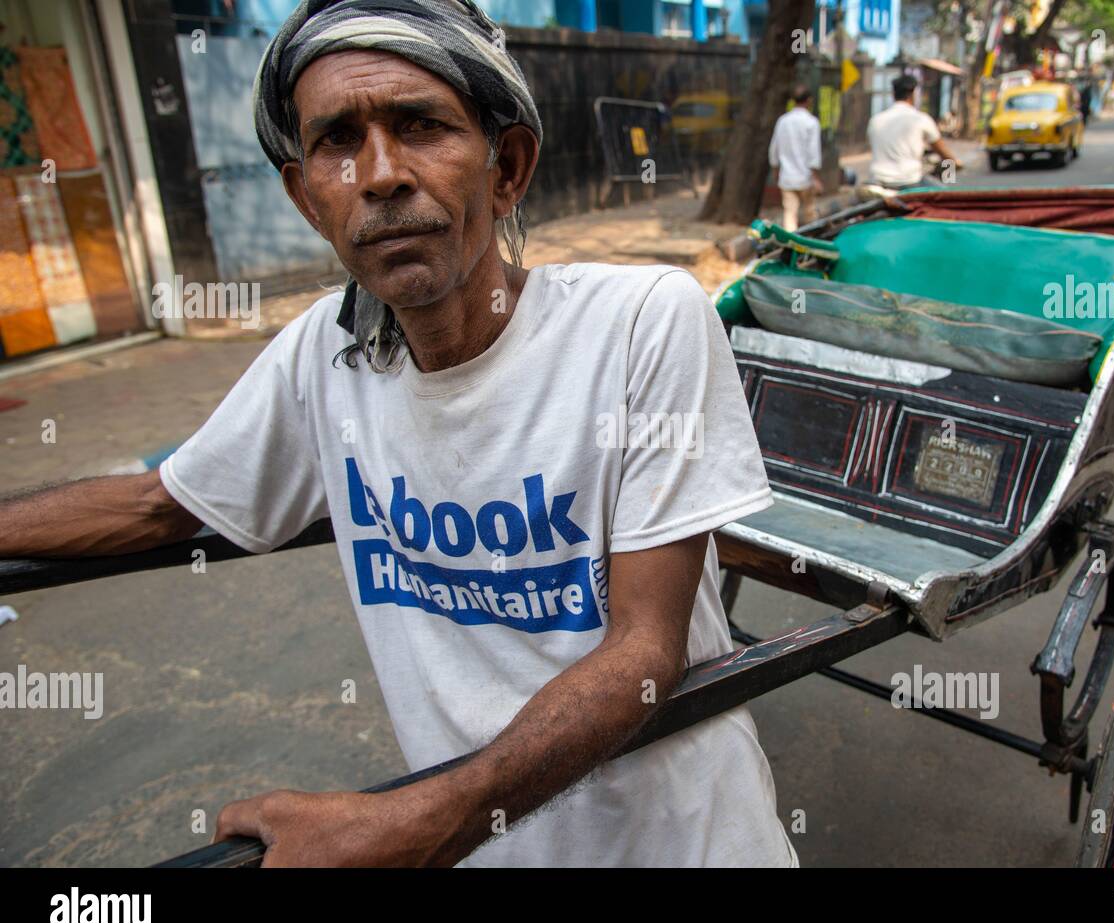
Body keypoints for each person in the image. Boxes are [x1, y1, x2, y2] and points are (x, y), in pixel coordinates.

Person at [0, 0, 797, 869]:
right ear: (308, 197)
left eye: (422, 126)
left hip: (685, 844)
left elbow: (646, 645)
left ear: (508, 168)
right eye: (338, 140)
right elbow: (162, 504)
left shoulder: (643, 321)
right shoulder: (324, 353)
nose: (381, 174)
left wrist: (417, 821)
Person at [867, 74, 962, 190]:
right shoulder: (921, 119)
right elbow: (944, 153)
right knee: (947, 194)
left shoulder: (875, 120)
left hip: (877, 180)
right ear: (913, 94)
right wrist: (955, 163)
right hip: (909, 181)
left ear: (893, 94)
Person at [767, 84, 823, 231]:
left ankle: (791, 246)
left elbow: (774, 149)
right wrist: (815, 177)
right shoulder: (811, 122)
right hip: (806, 178)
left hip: (787, 177)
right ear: (809, 100)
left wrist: (775, 170)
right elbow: (814, 152)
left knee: (789, 215)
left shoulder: (783, 121)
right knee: (809, 214)